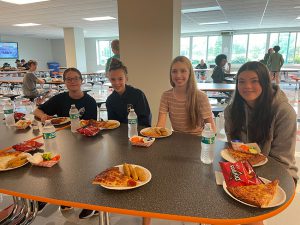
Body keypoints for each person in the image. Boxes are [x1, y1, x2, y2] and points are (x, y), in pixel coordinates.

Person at [33, 67, 98, 219]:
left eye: (75, 78)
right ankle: (60, 198)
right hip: (63, 140)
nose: (72, 81)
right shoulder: (60, 98)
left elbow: (92, 124)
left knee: (82, 171)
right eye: (68, 79)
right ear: (64, 82)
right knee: (57, 169)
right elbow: (37, 111)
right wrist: (44, 117)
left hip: (84, 142)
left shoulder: (89, 101)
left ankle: (91, 203)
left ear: (81, 81)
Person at [224, 61, 298, 183]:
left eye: (254, 81)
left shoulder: (284, 112)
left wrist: (253, 178)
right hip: (245, 168)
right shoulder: (232, 111)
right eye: (241, 81)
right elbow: (233, 146)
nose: (247, 86)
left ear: (265, 82)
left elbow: (282, 161)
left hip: (280, 173)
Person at [157, 56, 216, 135]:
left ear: (190, 73)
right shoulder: (166, 96)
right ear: (170, 74)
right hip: (177, 139)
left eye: (183, 71)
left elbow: (211, 128)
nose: (178, 75)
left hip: (197, 141)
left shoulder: (201, 97)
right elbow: (160, 125)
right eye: (174, 71)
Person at [106, 58, 151, 127]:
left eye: (120, 79)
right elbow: (112, 124)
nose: (116, 83)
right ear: (109, 79)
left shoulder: (138, 95)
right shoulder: (110, 100)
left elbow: (145, 122)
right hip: (118, 136)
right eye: (113, 79)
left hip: (137, 134)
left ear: (126, 78)